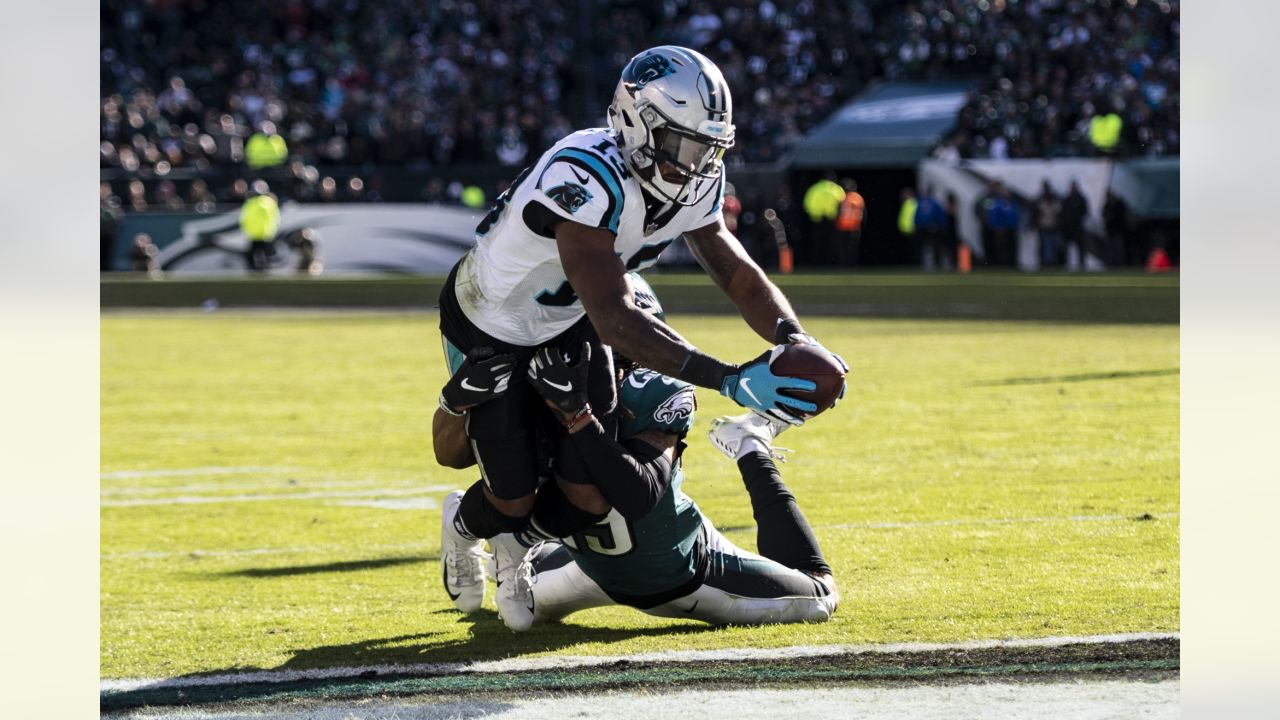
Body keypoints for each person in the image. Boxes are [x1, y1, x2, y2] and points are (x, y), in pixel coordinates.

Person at [436, 46, 844, 613]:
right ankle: (469, 526)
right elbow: (614, 316)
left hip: (566, 320)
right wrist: (727, 378)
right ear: (638, 123)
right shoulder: (584, 175)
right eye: (685, 143)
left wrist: (791, 336)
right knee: (511, 488)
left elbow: (734, 269)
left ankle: (521, 544)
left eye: (709, 147)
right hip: (491, 321)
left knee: (588, 484)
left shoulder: (692, 174)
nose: (697, 162)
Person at [433, 282, 838, 629]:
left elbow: (638, 492)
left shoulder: (658, 390)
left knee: (819, 596)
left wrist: (578, 417)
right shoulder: (544, 375)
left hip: (689, 572)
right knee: (519, 604)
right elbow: (462, 457)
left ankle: (750, 444)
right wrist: (454, 402)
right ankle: (513, 540)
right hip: (590, 570)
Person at [833, 178, 865, 267]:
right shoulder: (859, 198)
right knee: (852, 249)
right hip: (854, 227)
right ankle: (852, 265)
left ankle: (844, 266)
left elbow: (837, 212)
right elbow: (863, 214)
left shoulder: (842, 198)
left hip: (843, 227)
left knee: (843, 250)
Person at [1033, 180, 1064, 269]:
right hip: (1045, 226)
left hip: (1052, 227)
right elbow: (1036, 213)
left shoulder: (1053, 200)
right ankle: (1047, 264)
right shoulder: (1041, 200)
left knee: (1053, 247)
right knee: (1047, 247)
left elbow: (1058, 214)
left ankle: (1053, 264)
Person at [1061, 180, 1089, 271]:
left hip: (1078, 227)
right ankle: (1066, 264)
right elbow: (1063, 213)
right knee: (1066, 247)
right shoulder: (1067, 199)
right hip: (1068, 227)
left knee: (1080, 247)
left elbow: (1085, 212)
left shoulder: (1080, 199)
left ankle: (1082, 265)